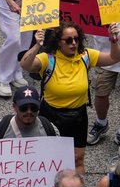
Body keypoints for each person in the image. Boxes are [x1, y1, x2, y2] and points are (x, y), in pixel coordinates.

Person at [22, 22, 120, 174]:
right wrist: (37, 45)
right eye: (68, 40)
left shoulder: (86, 56)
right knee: (48, 159)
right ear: (58, 42)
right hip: (51, 116)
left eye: (76, 39)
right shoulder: (48, 59)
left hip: (78, 117)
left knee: (77, 159)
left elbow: (114, 58)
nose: (73, 43)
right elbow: (25, 65)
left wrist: (113, 41)